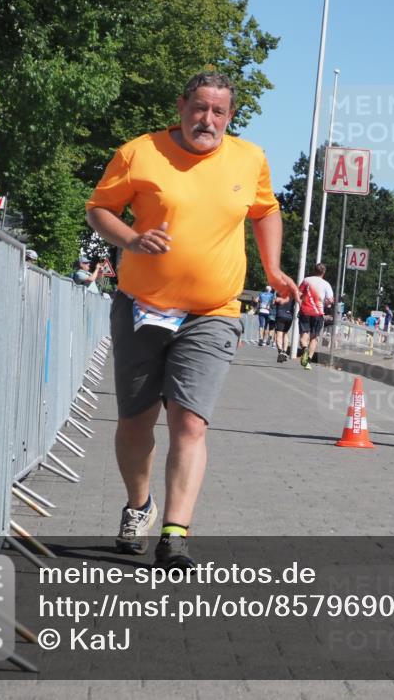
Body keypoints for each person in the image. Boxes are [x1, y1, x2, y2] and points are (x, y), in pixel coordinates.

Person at [85, 71, 298, 569]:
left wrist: (272, 268)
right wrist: (132, 240)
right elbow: (99, 210)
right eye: (199, 108)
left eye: (218, 112)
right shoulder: (140, 152)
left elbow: (265, 211)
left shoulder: (250, 158)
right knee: (135, 422)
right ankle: (139, 506)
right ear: (181, 106)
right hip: (142, 306)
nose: (208, 119)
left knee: (190, 421)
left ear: (230, 115)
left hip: (213, 312)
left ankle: (175, 532)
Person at [297, 262, 334, 370]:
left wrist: (301, 304)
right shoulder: (326, 284)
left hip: (305, 311)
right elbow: (330, 301)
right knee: (314, 338)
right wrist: (326, 303)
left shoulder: (306, 280)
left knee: (304, 337)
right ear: (324, 272)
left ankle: (304, 349)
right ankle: (308, 361)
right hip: (318, 313)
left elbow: (298, 294)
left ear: (314, 270)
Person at [271, 294, 295, 362]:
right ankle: (285, 352)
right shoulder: (292, 295)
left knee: (279, 334)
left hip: (281, 315)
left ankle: (280, 351)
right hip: (290, 316)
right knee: (285, 333)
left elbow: (273, 304)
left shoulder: (280, 294)